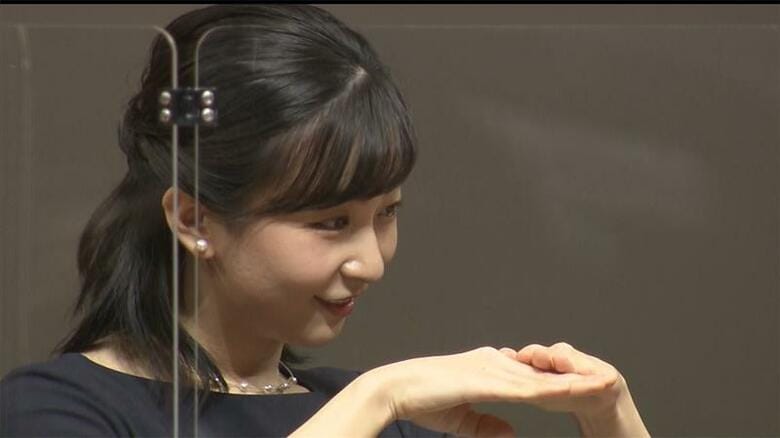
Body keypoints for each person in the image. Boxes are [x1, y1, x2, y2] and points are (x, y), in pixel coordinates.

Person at [0, 5, 650, 437]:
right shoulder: (56, 409)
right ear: (196, 220)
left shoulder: (380, 416)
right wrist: (379, 397)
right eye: (331, 223)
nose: (372, 262)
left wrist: (608, 411)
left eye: (386, 214)